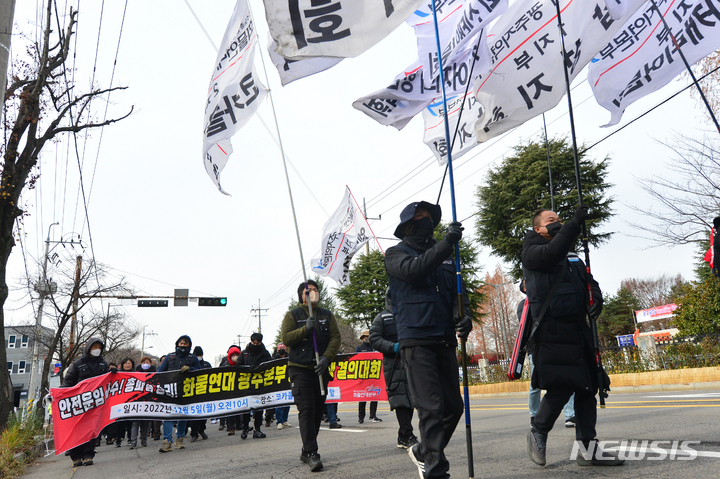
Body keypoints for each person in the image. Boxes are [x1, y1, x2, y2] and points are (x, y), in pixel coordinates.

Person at [523, 207, 622, 467]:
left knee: (588, 387)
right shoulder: (533, 250)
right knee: (562, 385)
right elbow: (552, 252)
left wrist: (596, 299)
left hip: (578, 329)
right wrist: (574, 224)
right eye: (550, 221)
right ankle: (538, 432)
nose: (557, 223)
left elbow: (590, 281)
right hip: (552, 330)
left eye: (560, 219)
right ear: (538, 229)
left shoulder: (573, 255)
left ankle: (588, 449)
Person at [385, 201, 472, 479]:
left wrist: (464, 315)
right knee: (431, 409)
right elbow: (416, 270)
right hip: (416, 339)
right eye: (421, 217)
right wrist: (447, 242)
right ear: (409, 225)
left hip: (445, 338)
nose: (427, 221)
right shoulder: (396, 254)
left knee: (454, 407)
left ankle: (424, 451)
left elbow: (458, 292)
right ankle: (436, 471)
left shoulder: (447, 256)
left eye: (429, 217)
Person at [281, 280, 341, 472]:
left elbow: (336, 338)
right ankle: (312, 452)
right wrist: (305, 328)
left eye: (316, 290)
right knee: (306, 409)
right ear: (302, 295)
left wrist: (326, 358)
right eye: (309, 291)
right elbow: (287, 338)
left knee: (316, 411)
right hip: (300, 369)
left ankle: (306, 450)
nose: (313, 293)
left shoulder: (326, 315)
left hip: (320, 370)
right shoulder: (293, 315)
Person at [369, 288, 418, 449]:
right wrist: (392, 347)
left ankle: (402, 435)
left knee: (411, 400)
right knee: (400, 400)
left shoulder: (409, 314)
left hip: (411, 362)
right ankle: (408, 434)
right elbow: (374, 338)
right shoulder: (382, 317)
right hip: (394, 364)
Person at [62, 338, 111, 467]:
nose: (97, 350)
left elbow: (108, 381)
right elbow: (68, 382)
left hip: (95, 404)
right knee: (77, 430)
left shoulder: (103, 364)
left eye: (99, 347)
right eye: (94, 347)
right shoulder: (77, 364)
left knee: (91, 430)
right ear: (89, 348)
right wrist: (58, 394)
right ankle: (76, 456)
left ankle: (88, 455)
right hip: (78, 403)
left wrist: (113, 374)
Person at [157, 335, 201, 453]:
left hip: (185, 391)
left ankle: (180, 439)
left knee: (183, 416)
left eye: (185, 344)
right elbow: (160, 371)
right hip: (169, 391)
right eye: (181, 343)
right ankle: (167, 442)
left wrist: (190, 368)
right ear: (177, 344)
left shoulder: (193, 358)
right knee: (168, 416)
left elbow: (200, 371)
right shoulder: (169, 357)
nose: (182, 346)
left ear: (189, 346)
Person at [239, 333, 272, 439]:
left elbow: (271, 365)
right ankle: (245, 429)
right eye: (254, 342)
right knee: (246, 408)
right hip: (247, 385)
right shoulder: (244, 353)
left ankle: (257, 429)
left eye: (257, 343)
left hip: (260, 384)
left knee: (259, 408)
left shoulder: (265, 353)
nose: (255, 344)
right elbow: (238, 366)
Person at [355, 331, 381, 424]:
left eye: (368, 336)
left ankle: (373, 416)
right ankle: (361, 417)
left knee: (374, 396)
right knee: (363, 398)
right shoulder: (359, 348)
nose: (367, 338)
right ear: (362, 338)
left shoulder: (375, 348)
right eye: (366, 336)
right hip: (363, 376)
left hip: (373, 376)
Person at [130, 356, 156, 449]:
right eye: (144, 362)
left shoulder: (154, 374)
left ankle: (144, 441)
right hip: (137, 400)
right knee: (135, 423)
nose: (146, 364)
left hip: (148, 401)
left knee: (145, 423)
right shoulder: (136, 373)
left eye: (148, 362)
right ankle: (133, 442)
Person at [188, 347, 212, 442]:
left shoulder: (207, 365)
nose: (199, 357)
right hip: (194, 393)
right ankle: (194, 434)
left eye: (200, 355)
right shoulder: (190, 365)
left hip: (204, 392)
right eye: (197, 355)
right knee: (194, 416)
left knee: (204, 414)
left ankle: (201, 430)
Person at [219, 345, 244, 435]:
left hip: (239, 388)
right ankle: (231, 427)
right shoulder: (225, 364)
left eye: (236, 355)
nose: (235, 357)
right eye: (233, 355)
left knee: (240, 408)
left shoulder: (242, 363)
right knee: (230, 410)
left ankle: (240, 424)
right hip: (229, 389)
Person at [115, 358, 135, 447]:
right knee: (119, 421)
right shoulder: (117, 374)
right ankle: (118, 439)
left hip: (132, 400)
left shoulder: (136, 374)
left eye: (129, 363)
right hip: (120, 400)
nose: (128, 365)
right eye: (126, 363)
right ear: (122, 364)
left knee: (130, 421)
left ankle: (130, 438)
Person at [273, 344, 292, 430]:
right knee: (278, 404)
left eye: (283, 348)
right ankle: (279, 421)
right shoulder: (273, 359)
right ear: (277, 350)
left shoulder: (290, 358)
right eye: (280, 349)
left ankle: (285, 420)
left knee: (287, 404)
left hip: (287, 383)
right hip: (277, 383)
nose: (282, 350)